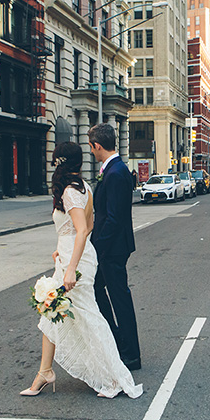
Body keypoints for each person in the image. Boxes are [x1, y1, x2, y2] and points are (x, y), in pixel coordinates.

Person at [20, 142, 142, 399]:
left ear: (59, 163)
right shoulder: (83, 187)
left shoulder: (70, 192)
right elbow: (83, 225)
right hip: (71, 256)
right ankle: (44, 371)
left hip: (74, 261)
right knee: (50, 312)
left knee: (87, 316)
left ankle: (112, 376)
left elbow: (84, 230)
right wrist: (59, 249)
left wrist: (71, 269)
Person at [88, 123, 141, 371]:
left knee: (120, 299)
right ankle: (118, 341)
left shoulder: (117, 172)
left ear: (98, 146)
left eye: (91, 147)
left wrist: (97, 250)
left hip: (112, 249)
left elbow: (113, 218)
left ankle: (130, 353)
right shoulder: (114, 170)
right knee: (97, 291)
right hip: (110, 248)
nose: (91, 151)